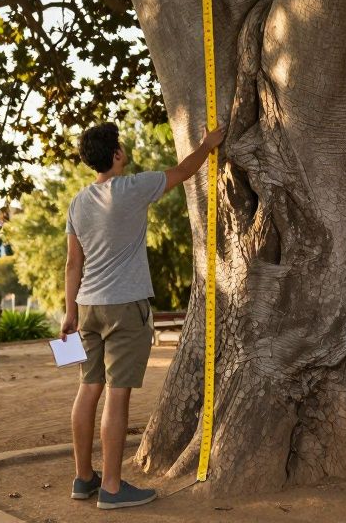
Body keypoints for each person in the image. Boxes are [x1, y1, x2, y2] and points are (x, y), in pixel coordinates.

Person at [62, 120, 225, 510]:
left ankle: (84, 479)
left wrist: (69, 312)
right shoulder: (132, 188)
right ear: (116, 155)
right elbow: (184, 171)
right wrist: (207, 144)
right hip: (125, 307)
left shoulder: (78, 202)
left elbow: (72, 264)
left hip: (87, 307)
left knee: (88, 389)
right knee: (117, 397)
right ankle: (113, 488)